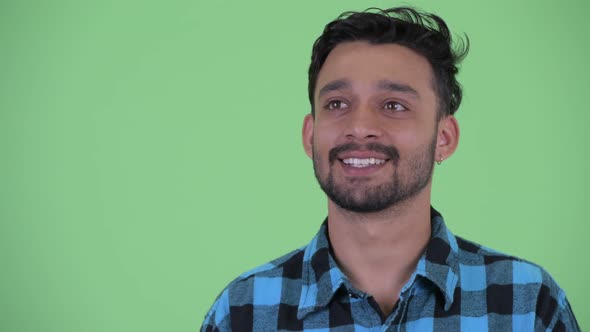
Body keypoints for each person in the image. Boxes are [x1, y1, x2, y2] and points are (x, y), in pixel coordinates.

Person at [200, 7, 579, 331]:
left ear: (444, 137)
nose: (360, 125)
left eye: (394, 104)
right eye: (336, 103)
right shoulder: (241, 312)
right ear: (309, 135)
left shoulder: (528, 306)